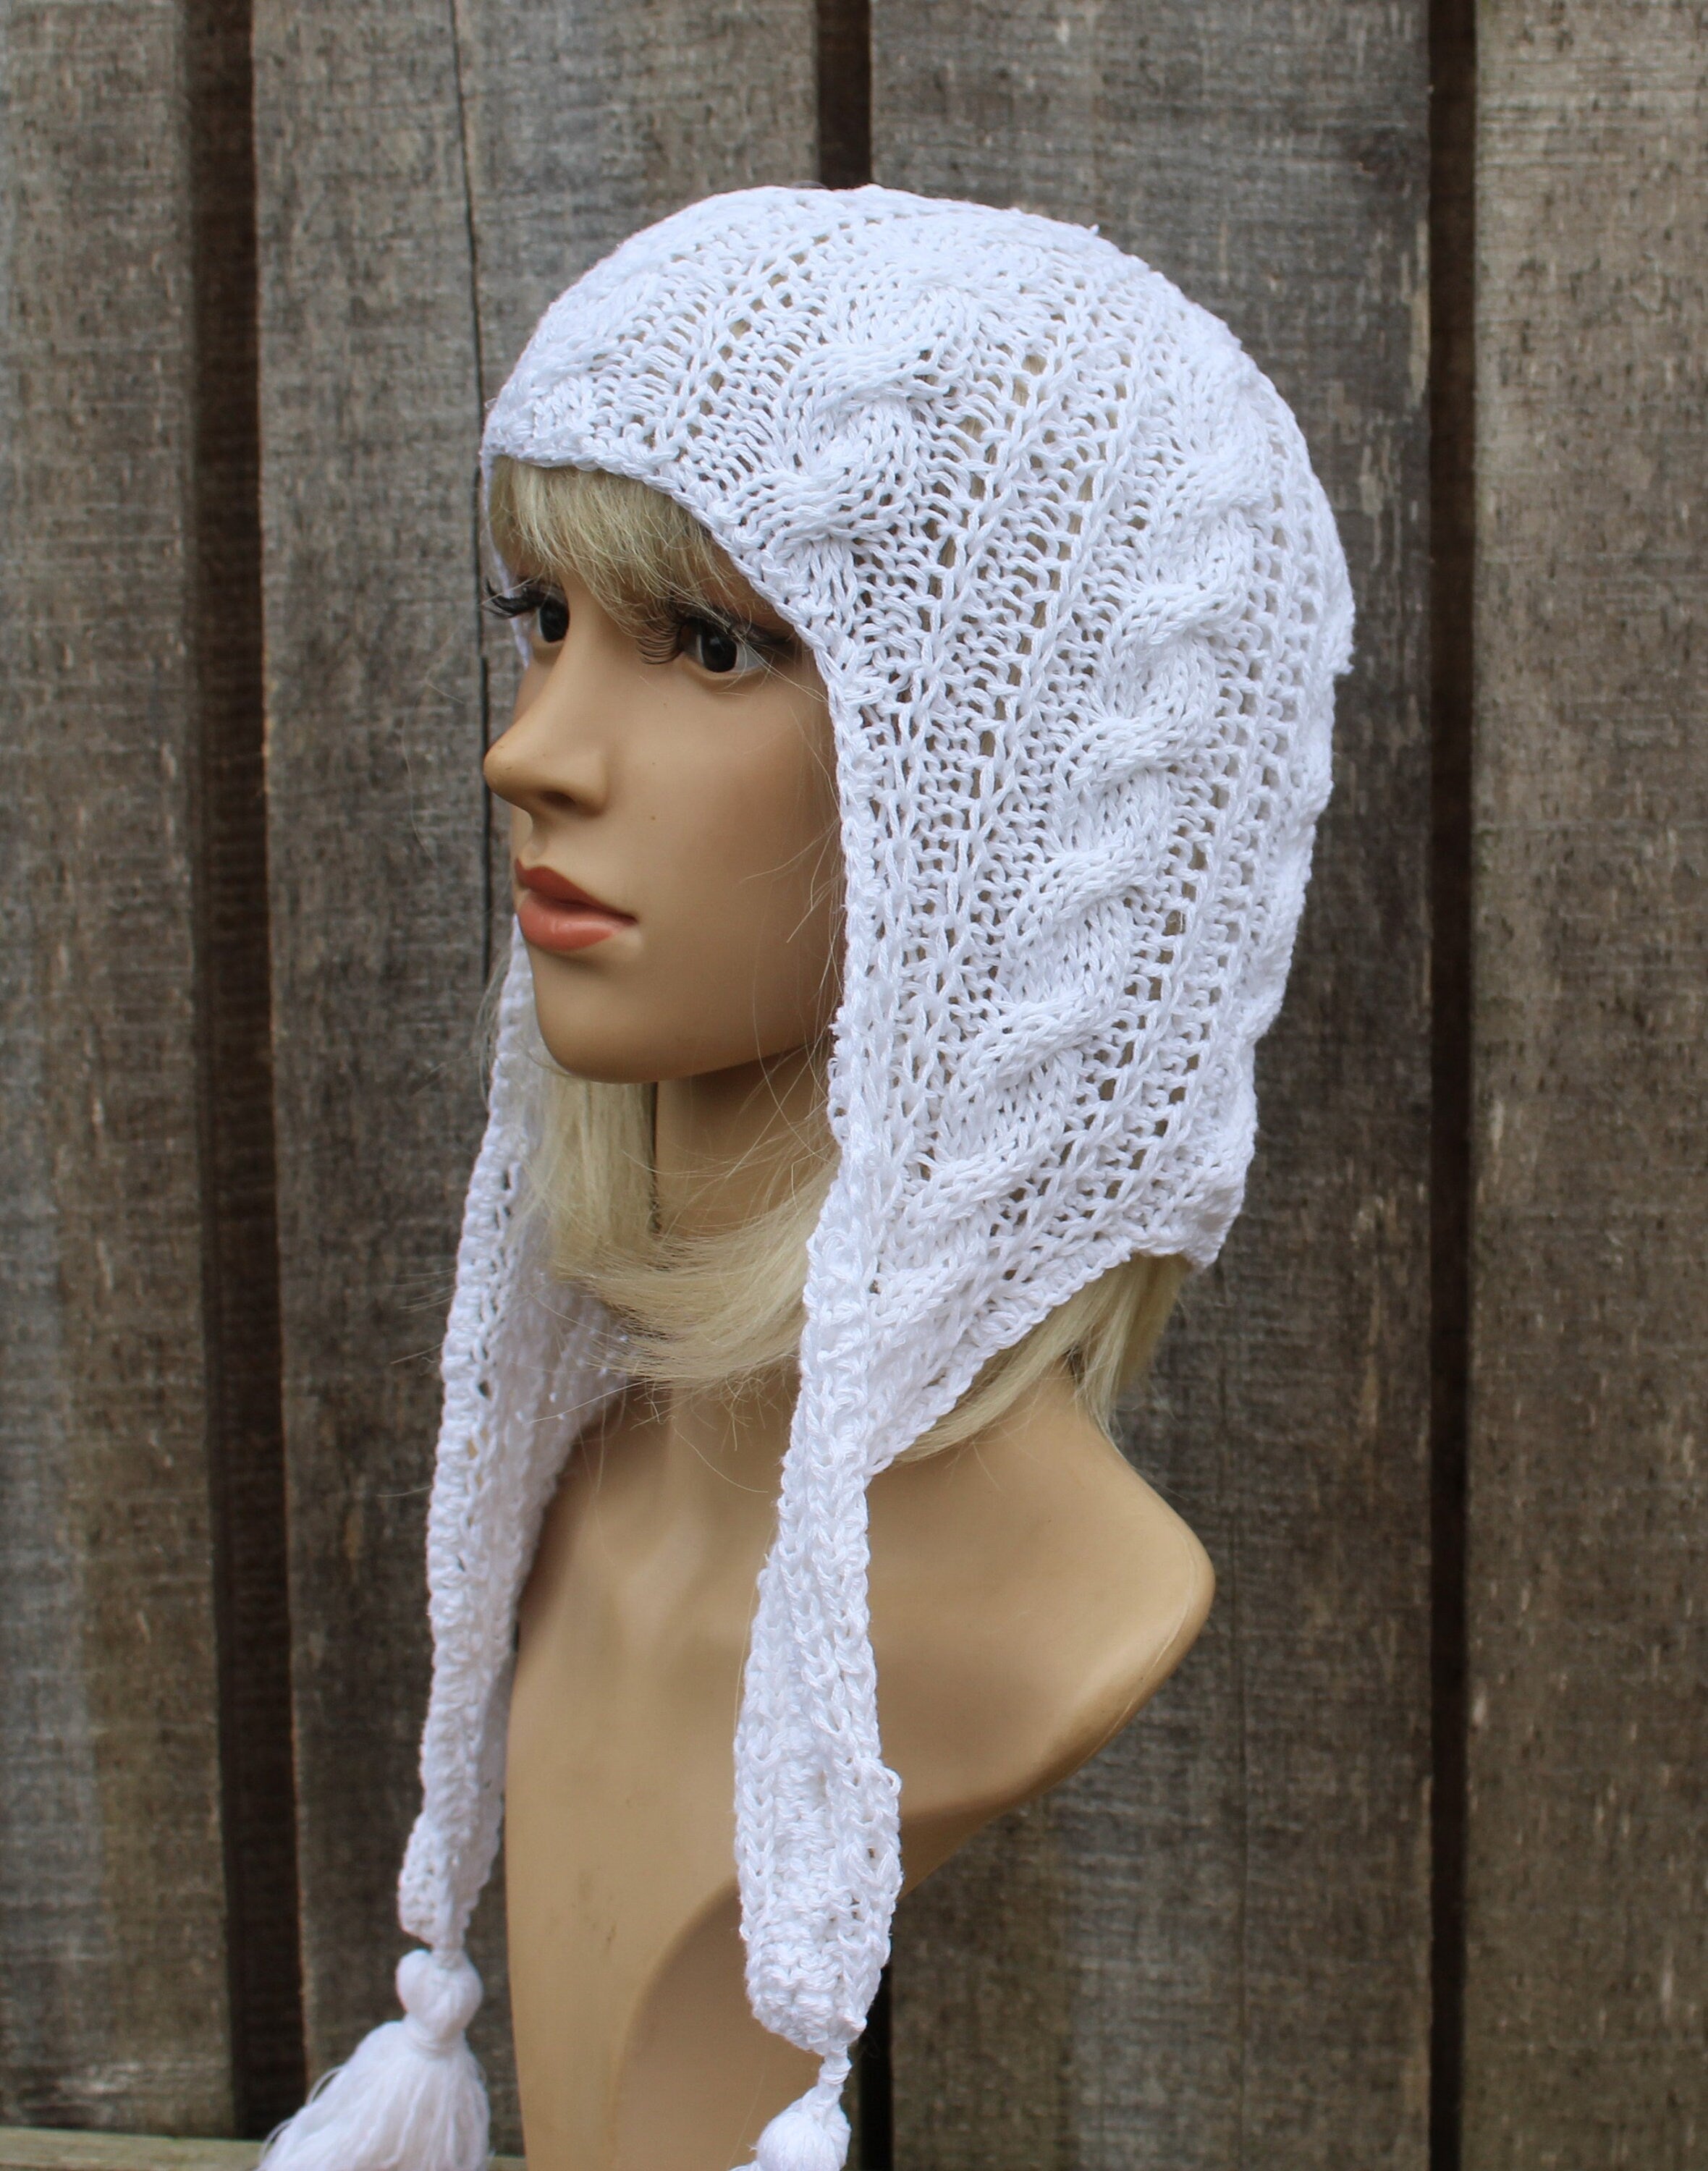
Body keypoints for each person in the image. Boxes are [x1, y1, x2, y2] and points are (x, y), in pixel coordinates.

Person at [260, 183, 1352, 2171]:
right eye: (544, 620)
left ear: (1011, 792)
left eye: (711, 641)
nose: (534, 749)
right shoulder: (584, 1497)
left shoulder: (1052, 1623)